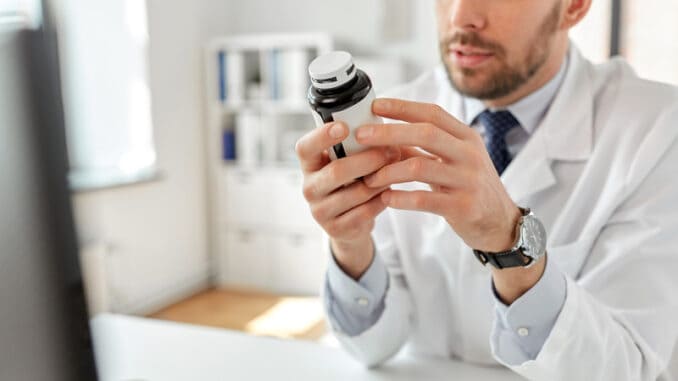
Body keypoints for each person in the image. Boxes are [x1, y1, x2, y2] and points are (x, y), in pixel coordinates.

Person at [294, 0, 678, 379]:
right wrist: (350, 244)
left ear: (574, 7)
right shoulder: (388, 117)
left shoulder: (657, 129)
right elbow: (373, 348)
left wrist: (510, 246)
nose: (461, 17)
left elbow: (627, 367)